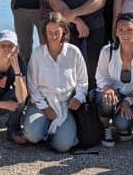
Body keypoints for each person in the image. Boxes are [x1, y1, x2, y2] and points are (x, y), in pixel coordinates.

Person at [23, 12, 88, 153]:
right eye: (49, 32)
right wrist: (46, 108)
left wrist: (78, 97)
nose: (53, 36)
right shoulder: (37, 54)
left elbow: (83, 81)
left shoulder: (74, 52)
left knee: (63, 146)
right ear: (44, 33)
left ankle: (55, 131)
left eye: (57, 32)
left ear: (64, 31)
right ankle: (45, 128)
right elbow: (32, 86)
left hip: (64, 105)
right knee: (33, 136)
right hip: (41, 104)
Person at [92, 13, 133, 146]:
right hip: (110, 94)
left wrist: (128, 100)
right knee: (107, 102)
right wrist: (107, 88)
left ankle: (123, 126)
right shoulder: (107, 51)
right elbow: (100, 76)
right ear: (116, 32)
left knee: (122, 124)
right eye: (120, 29)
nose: (125, 33)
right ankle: (106, 128)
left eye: (129, 29)